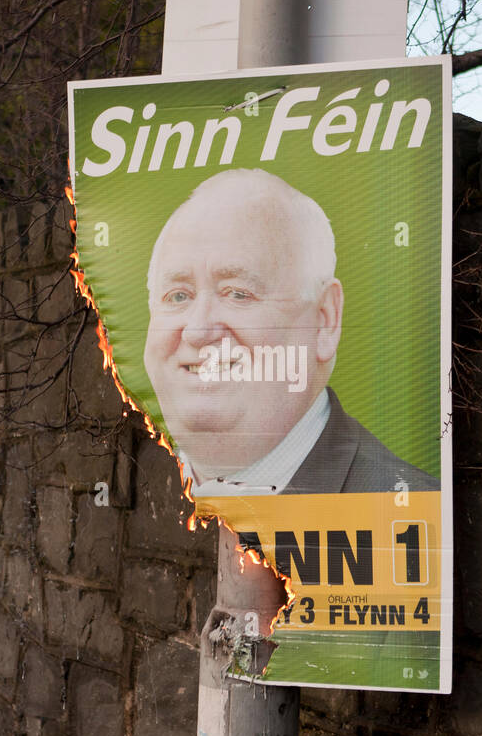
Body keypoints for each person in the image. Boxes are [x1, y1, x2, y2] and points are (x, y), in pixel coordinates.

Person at [143, 168, 440, 496]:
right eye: (179, 296)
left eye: (238, 293)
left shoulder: (404, 504)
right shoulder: (141, 487)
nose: (197, 331)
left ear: (324, 320)